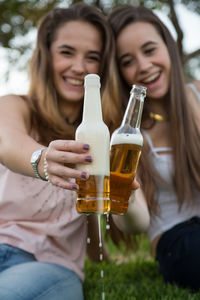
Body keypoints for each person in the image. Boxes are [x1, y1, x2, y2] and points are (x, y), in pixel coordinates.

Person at [0, 3, 121, 300]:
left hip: (46, 264)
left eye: (92, 57)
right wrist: (42, 159)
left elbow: (92, 222)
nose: (79, 67)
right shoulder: (16, 106)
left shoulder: (103, 136)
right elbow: (7, 142)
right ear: (46, 56)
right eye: (67, 52)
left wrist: (102, 249)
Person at [108, 5, 200, 290]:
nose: (144, 66)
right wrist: (124, 197)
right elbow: (135, 225)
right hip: (178, 243)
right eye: (127, 61)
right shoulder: (128, 133)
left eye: (149, 50)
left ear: (168, 47)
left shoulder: (196, 94)